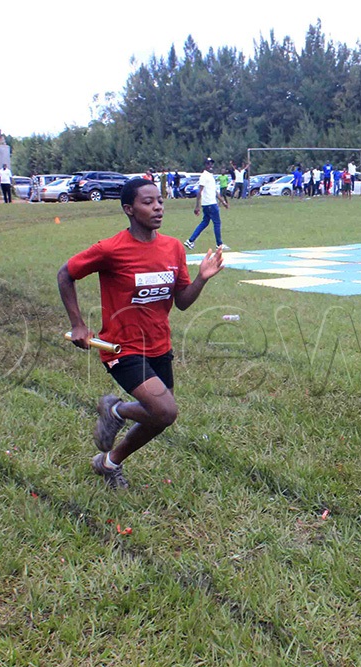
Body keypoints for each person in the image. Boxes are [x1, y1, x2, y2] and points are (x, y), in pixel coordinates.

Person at [58, 178, 224, 489]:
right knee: (165, 410)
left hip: (160, 345)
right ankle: (115, 409)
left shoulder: (173, 247)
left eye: (159, 200)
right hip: (122, 348)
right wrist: (78, 323)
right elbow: (65, 274)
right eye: (148, 202)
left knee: (159, 416)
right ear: (129, 209)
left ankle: (109, 461)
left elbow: (183, 302)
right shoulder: (111, 249)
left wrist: (202, 278)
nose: (158, 207)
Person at [184, 157, 230, 251]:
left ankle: (190, 241)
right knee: (217, 223)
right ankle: (219, 244)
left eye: (211, 164)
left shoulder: (210, 176)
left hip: (210, 203)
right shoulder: (204, 176)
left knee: (205, 222)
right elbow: (199, 191)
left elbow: (215, 192)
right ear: (205, 165)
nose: (211, 166)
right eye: (208, 164)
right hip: (209, 204)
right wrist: (197, 206)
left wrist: (223, 202)